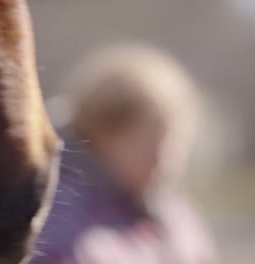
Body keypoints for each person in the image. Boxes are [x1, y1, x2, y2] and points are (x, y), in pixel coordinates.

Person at [32, 43, 217, 264]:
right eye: (151, 144)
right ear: (102, 133)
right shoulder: (58, 221)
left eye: (176, 144)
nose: (165, 160)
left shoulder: (173, 215)